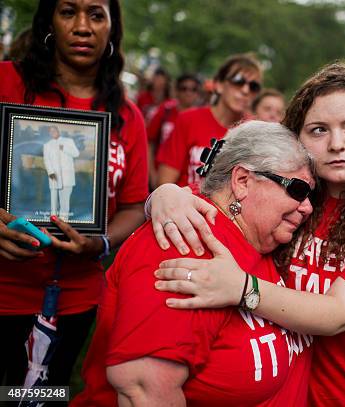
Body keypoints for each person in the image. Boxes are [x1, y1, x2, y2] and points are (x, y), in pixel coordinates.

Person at [148, 63, 345, 405]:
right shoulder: (287, 187)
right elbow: (221, 199)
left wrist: (241, 288)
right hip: (266, 388)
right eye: (318, 130)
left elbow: (339, 314)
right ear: (296, 136)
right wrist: (165, 195)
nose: (337, 144)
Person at [72, 121, 315, 406]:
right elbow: (144, 389)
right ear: (242, 181)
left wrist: (164, 192)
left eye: (312, 195)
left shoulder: (256, 239)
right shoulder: (186, 238)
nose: (307, 206)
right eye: (298, 190)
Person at [0, 0, 148, 391]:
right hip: (3, 286)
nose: (83, 26)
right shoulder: (5, 82)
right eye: (68, 12)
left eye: (96, 14)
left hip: (74, 299)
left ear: (111, 28)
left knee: (41, 396)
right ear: (49, 21)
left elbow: (134, 206)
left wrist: (99, 242)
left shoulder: (128, 117)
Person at [156, 53, 263, 187]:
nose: (245, 90)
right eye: (238, 81)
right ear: (218, 85)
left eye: (253, 86)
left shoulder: (255, 133)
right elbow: (164, 184)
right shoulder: (189, 119)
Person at [146, 73, 201, 188]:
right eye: (184, 88)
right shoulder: (165, 110)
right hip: (160, 177)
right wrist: (152, 174)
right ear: (176, 91)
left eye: (193, 89)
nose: (188, 93)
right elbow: (149, 143)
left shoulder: (201, 119)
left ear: (198, 93)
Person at [43, 125, 79, 220]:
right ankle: (53, 218)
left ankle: (64, 220)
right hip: (54, 176)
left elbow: (76, 154)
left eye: (54, 130)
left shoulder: (68, 141)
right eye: (50, 131)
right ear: (49, 133)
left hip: (67, 176)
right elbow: (46, 160)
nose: (53, 132)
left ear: (58, 131)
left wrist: (65, 148)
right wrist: (50, 172)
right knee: (53, 200)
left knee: (65, 200)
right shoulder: (47, 145)